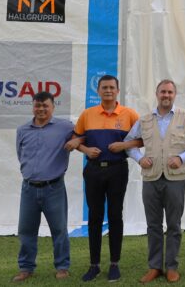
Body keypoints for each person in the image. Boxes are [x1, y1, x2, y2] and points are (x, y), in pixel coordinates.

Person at [118, 79, 185, 283]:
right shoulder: (145, 120)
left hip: (176, 179)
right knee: (153, 225)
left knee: (174, 225)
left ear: (174, 95)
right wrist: (140, 158)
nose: (166, 95)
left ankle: (172, 267)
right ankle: (155, 267)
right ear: (156, 94)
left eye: (169, 92)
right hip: (151, 178)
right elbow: (128, 144)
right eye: (162, 92)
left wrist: (182, 158)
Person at [65, 74, 139, 282]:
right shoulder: (87, 114)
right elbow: (74, 139)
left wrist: (124, 146)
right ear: (98, 91)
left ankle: (114, 264)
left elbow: (142, 140)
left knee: (116, 216)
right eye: (104, 87)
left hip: (118, 170)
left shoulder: (129, 114)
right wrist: (86, 149)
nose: (108, 90)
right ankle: (94, 265)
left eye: (111, 87)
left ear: (117, 90)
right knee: (95, 217)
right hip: (94, 170)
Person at [13, 91, 75, 282]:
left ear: (53, 107)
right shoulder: (23, 130)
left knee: (59, 229)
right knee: (26, 230)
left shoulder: (65, 127)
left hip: (54, 188)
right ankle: (26, 268)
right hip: (29, 188)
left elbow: (82, 136)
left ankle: (62, 267)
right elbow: (20, 154)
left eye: (45, 106)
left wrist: (77, 141)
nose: (40, 109)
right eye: (37, 106)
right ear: (33, 107)